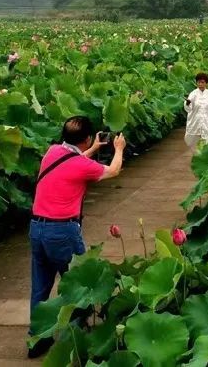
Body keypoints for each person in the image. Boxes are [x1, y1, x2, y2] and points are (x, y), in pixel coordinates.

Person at [28, 117, 126, 358]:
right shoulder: (83, 166)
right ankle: (74, 340)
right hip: (62, 231)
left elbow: (71, 162)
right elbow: (113, 170)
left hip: (36, 228)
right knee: (80, 284)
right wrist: (119, 148)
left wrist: (92, 149)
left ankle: (36, 339)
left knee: (40, 287)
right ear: (87, 138)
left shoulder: (52, 152)